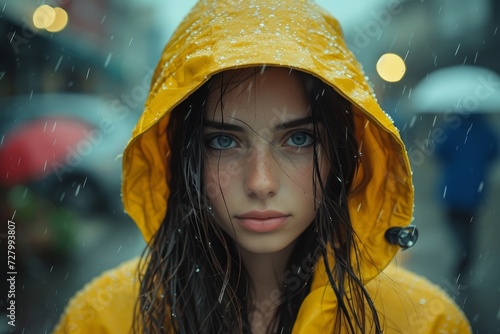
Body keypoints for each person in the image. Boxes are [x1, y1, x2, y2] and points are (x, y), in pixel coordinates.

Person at [53, 0, 471, 333]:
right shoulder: (103, 320)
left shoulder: (423, 323)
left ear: (341, 154)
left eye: (299, 139)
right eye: (223, 141)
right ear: (183, 158)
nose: (261, 182)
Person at [435, 113, 498, 279]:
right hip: (476, 183)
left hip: (454, 183)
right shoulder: (487, 128)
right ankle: (467, 254)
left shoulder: (452, 127)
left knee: (453, 220)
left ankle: (464, 253)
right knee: (470, 223)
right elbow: (493, 153)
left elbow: (439, 151)